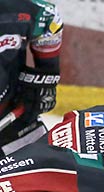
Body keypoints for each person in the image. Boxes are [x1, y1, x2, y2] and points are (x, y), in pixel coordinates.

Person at [0, 0, 63, 156]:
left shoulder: (31, 13)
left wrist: (42, 86)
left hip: (12, 120)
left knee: (49, 170)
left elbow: (49, 20)